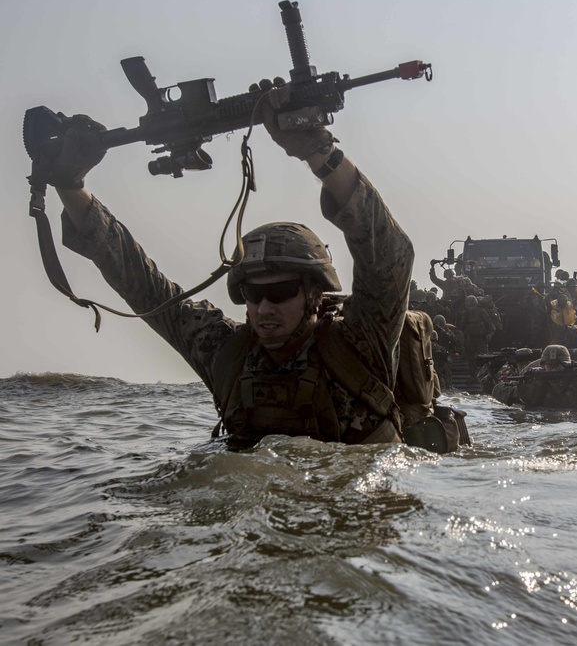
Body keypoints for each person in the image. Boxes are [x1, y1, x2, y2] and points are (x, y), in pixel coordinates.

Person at [38, 89, 414, 448]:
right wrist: (70, 186)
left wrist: (320, 153)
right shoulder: (225, 351)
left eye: (281, 292)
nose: (264, 308)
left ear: (315, 294)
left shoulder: (362, 341)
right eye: (253, 294)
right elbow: (143, 285)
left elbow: (388, 252)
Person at [492, 345, 577, 412]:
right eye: (550, 366)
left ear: (568, 365)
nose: (553, 370)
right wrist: (519, 392)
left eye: (558, 366)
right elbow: (497, 390)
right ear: (543, 366)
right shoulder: (535, 382)